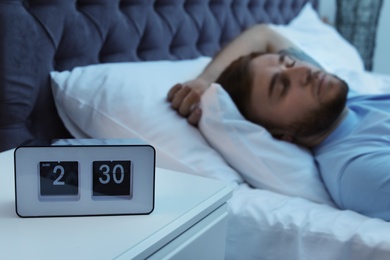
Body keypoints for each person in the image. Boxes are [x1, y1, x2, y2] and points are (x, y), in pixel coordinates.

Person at [167, 24, 390, 221]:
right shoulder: (358, 169)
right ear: (281, 134)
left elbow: (262, 34)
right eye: (283, 87)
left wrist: (206, 80)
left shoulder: (345, 101)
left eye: (290, 62)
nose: (305, 71)